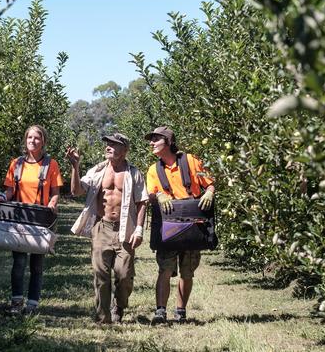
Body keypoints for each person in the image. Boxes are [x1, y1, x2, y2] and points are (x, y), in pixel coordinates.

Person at [66, 133, 148, 324]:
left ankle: (119, 305)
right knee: (101, 274)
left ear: (125, 150)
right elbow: (76, 191)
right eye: (108, 143)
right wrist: (75, 166)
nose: (109, 147)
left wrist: (139, 230)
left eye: (114, 144)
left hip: (125, 228)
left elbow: (142, 202)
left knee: (125, 275)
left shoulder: (133, 173)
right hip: (102, 227)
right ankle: (104, 316)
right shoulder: (97, 171)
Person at [144, 126, 215, 324]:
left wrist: (209, 192)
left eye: (155, 139)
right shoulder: (153, 170)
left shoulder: (191, 161)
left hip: (193, 225)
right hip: (169, 226)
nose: (151, 143)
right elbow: (150, 195)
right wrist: (158, 194)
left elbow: (209, 183)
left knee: (187, 271)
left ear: (167, 142)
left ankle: (181, 312)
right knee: (164, 269)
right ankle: (160, 312)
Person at [0, 125, 63, 315]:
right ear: (25, 140)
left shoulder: (51, 165)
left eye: (37, 138)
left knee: (37, 265)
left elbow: (56, 193)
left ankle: (32, 304)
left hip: (40, 219)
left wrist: (53, 203)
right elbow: (10, 189)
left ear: (43, 142)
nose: (32, 141)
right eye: (29, 138)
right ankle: (16, 302)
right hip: (19, 217)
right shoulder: (16, 164)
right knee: (19, 263)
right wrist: (2, 197)